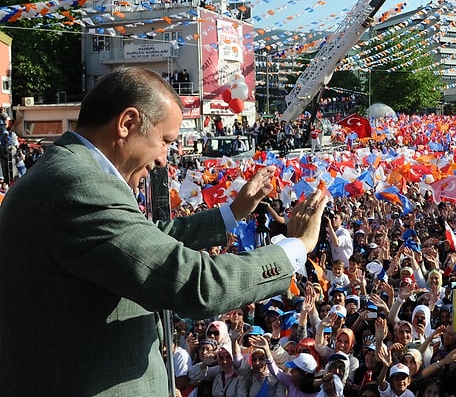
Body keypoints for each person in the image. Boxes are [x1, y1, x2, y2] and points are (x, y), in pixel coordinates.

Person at [0, 66, 329, 396]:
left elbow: (146, 238)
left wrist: (234, 212)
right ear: (127, 124)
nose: (163, 159)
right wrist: (299, 246)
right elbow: (197, 284)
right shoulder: (80, 186)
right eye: (164, 141)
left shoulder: (65, 171)